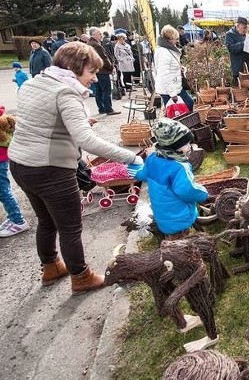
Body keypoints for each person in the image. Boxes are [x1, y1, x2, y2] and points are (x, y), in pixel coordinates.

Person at [8, 42, 144, 294]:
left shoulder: (32, 83)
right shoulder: (65, 93)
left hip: (21, 165)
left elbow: (41, 120)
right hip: (51, 171)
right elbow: (87, 140)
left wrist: (79, 121)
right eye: (91, 71)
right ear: (76, 67)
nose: (94, 78)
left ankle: (51, 268)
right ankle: (81, 277)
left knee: (46, 222)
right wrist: (130, 157)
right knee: (70, 227)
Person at [133, 118, 208, 239]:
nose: (189, 145)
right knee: (180, 244)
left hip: (161, 213)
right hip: (179, 217)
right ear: (175, 145)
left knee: (170, 236)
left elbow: (142, 174)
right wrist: (203, 193)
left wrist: (134, 170)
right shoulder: (179, 167)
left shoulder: (152, 158)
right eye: (186, 143)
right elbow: (187, 191)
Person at [0, 105, 29, 238]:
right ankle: (13, 216)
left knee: (3, 191)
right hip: (3, 157)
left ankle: (18, 221)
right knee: (3, 190)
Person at [155, 25, 194, 111]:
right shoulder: (163, 52)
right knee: (176, 110)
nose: (177, 41)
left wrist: (179, 68)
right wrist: (173, 94)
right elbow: (164, 74)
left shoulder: (167, 49)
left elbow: (170, 66)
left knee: (188, 104)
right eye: (175, 38)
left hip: (174, 85)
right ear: (169, 38)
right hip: (169, 89)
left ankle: (183, 122)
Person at [87, 27, 120, 115]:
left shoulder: (89, 43)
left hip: (95, 70)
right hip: (102, 70)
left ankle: (101, 108)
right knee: (106, 90)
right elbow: (103, 58)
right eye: (99, 34)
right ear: (93, 34)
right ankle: (108, 109)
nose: (101, 36)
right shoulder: (96, 45)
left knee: (98, 90)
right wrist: (111, 67)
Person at [225, 17, 249, 97]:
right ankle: (241, 109)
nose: (245, 30)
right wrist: (243, 43)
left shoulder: (246, 35)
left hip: (248, 68)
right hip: (238, 69)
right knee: (240, 94)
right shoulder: (229, 34)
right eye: (244, 28)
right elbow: (231, 48)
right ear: (238, 26)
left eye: (246, 28)